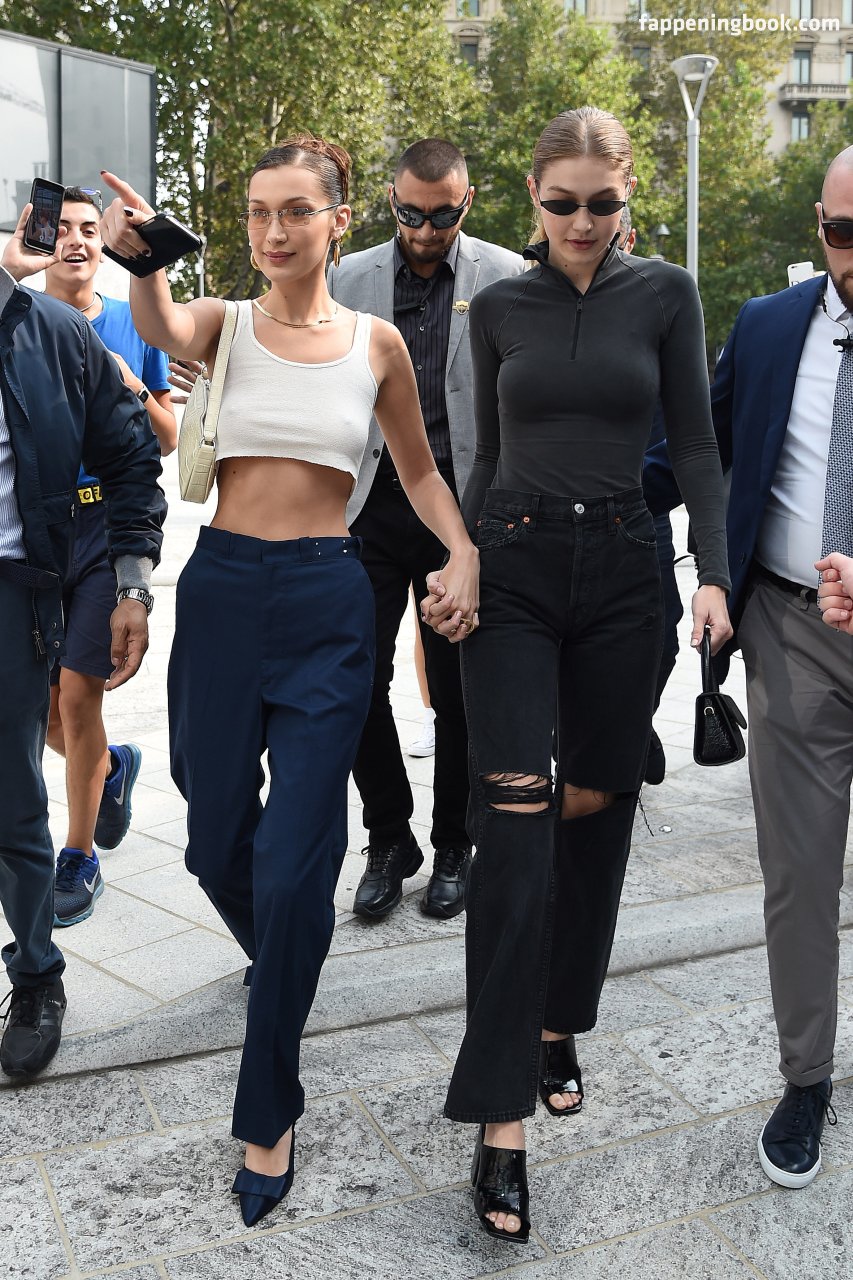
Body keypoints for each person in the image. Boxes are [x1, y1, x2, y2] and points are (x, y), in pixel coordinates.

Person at [98, 134, 479, 1228]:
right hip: (223, 591)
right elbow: (161, 324)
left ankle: (269, 1108)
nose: (272, 230)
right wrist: (146, 257)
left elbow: (417, 472)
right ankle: (290, 957)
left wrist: (461, 549)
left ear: (336, 221)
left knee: (297, 852)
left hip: (326, 599)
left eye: (295, 211)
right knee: (216, 840)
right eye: (258, 212)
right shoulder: (223, 322)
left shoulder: (374, 344)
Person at [423, 107, 732, 1242]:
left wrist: (713, 575)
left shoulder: (668, 294)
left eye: (603, 202)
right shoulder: (498, 307)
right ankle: (499, 1116)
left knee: (596, 803)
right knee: (512, 817)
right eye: (562, 203)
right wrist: (459, 556)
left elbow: (694, 446)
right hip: (510, 566)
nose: (584, 222)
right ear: (531, 196)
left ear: (626, 194)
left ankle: (558, 1020)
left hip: (624, 571)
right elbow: (479, 454)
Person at [647, 144, 853, 1191]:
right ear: (818, 226)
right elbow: (696, 451)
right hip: (789, 631)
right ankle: (805, 1077)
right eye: (843, 231)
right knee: (799, 875)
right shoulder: (770, 327)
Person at [328, 139, 523, 922]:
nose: (425, 229)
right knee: (352, 682)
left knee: (457, 692)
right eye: (410, 213)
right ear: (390, 199)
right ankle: (388, 838)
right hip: (369, 508)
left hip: (461, 514)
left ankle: (452, 845)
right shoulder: (347, 278)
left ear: (466, 203)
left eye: (442, 216)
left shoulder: (506, 276)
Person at [0, 203, 165, 1080]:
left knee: (21, 784)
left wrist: (134, 582)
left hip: (38, 572)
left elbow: (140, 453)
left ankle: (37, 972)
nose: (71, 240)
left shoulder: (60, 333)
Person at [40, 187, 176, 928]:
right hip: (35, 531)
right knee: (39, 712)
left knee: (75, 695)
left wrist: (123, 380)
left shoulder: (132, 322)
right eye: (61, 227)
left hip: (103, 527)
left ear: (104, 243)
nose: (76, 240)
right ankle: (113, 766)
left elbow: (166, 440)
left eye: (90, 229)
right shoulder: (19, 320)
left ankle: (79, 854)